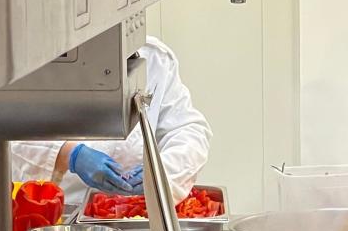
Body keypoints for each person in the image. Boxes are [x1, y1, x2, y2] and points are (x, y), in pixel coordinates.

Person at [12, 36, 212, 205]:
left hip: (137, 208)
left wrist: (163, 172)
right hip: (57, 211)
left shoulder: (153, 57)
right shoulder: (36, 55)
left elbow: (188, 130)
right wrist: (69, 154)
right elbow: (6, 129)